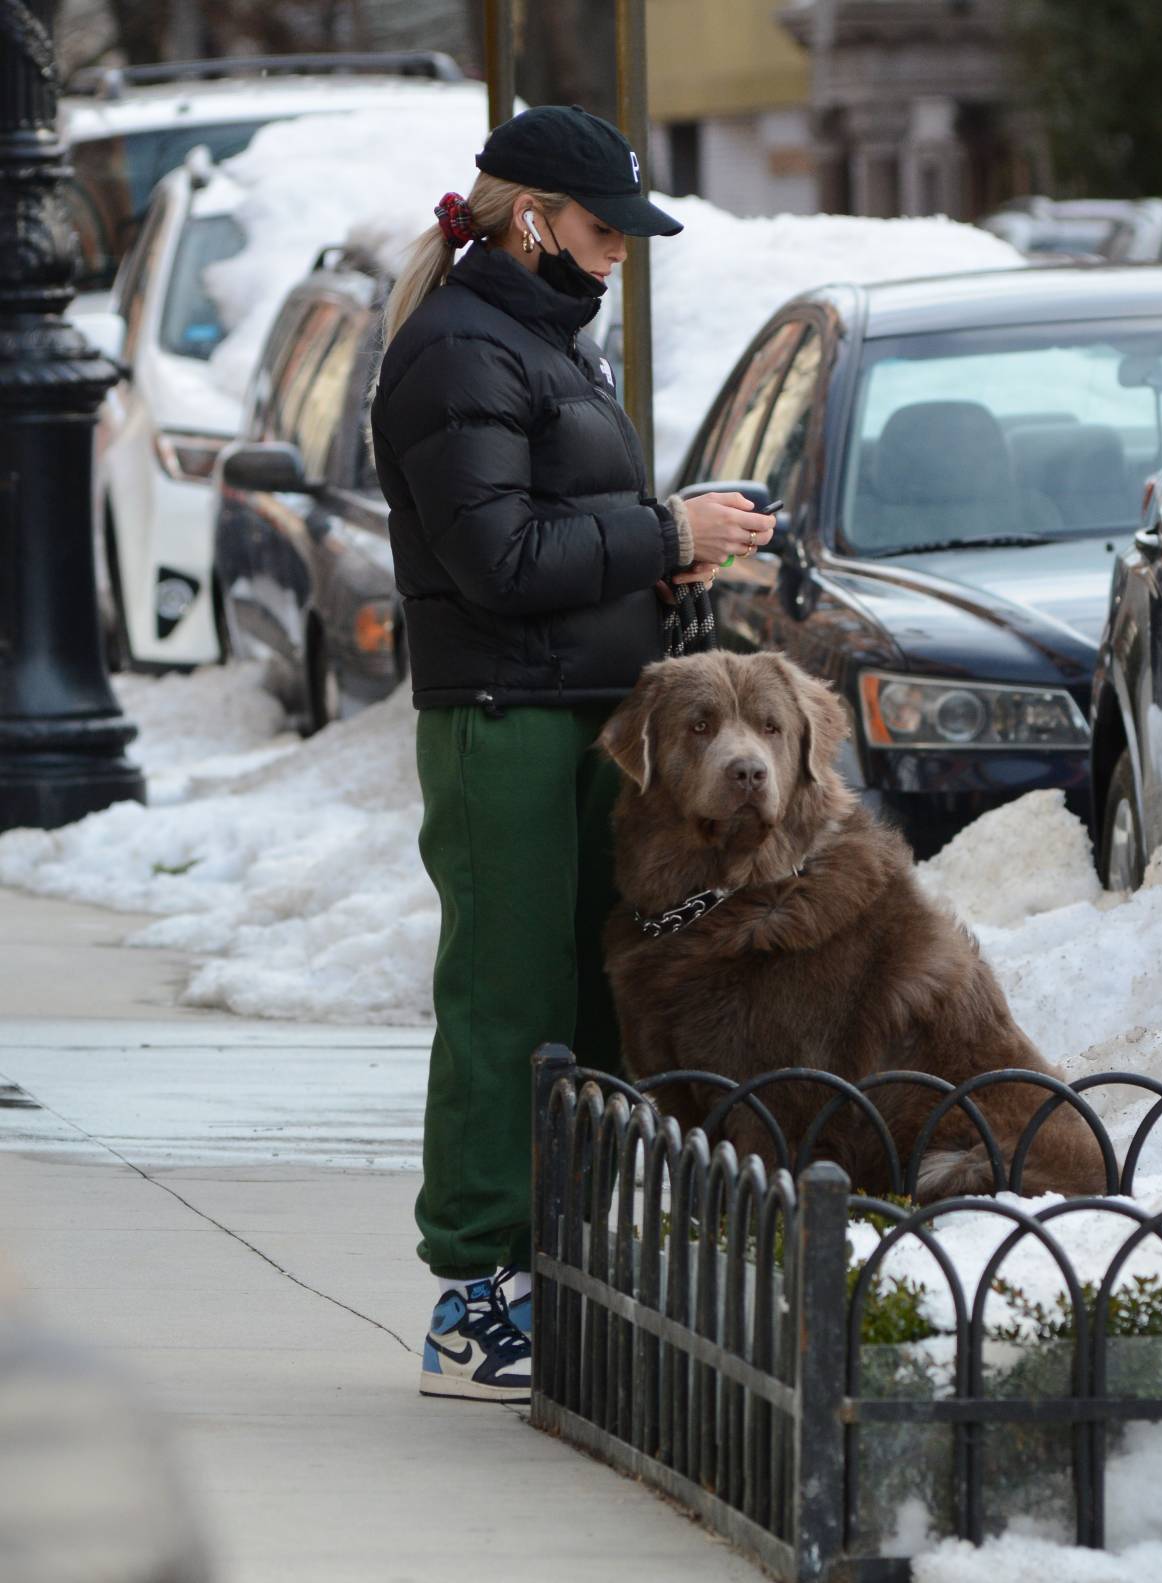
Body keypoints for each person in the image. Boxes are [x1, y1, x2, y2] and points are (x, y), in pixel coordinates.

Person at [368, 104, 775, 1402]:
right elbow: (495, 559)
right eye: (604, 232)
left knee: (592, 999)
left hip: (575, 717)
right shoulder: (456, 352)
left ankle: (566, 1272)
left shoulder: (535, 344)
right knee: (508, 1000)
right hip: (502, 727)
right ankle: (477, 1295)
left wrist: (675, 564)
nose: (617, 258)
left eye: (628, 238)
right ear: (530, 216)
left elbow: (554, 542)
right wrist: (663, 535)